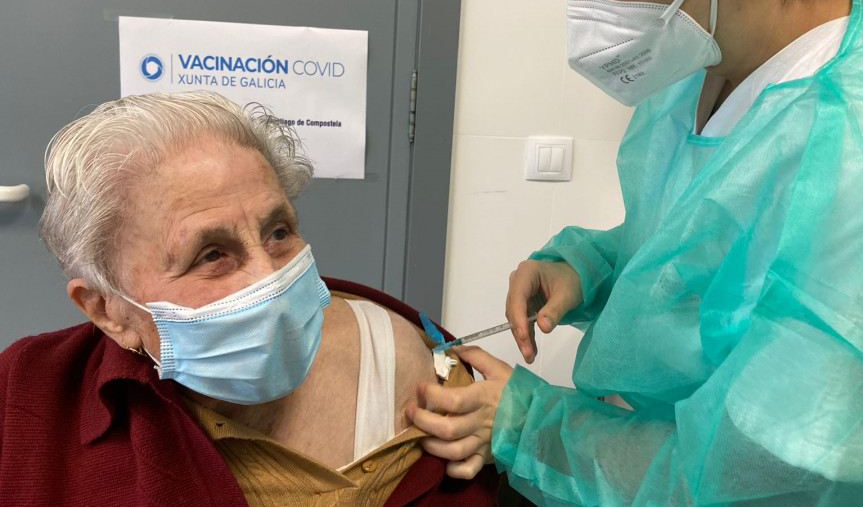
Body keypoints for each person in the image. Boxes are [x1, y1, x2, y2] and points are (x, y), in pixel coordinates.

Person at [406, 0, 863, 504]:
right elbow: (711, 245)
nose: (583, 8)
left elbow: (758, 480)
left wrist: (527, 423)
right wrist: (596, 265)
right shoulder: (703, 51)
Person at [0, 91, 497, 506]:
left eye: (279, 231)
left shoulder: (409, 363)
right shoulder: (28, 397)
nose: (269, 279)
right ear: (108, 310)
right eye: (211, 254)